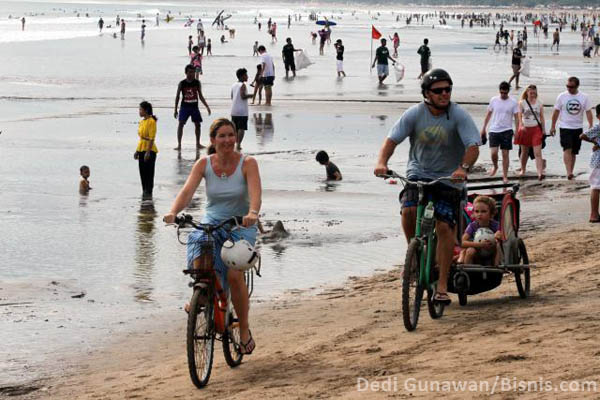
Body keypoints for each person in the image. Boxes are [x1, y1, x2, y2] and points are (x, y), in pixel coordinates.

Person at [373, 69, 480, 304]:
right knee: (408, 210)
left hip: (449, 180)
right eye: (438, 90)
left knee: (443, 228)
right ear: (426, 93)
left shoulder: (458, 114)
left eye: (447, 89)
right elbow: (391, 140)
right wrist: (382, 162)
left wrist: (463, 167)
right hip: (418, 174)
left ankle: (441, 286)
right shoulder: (414, 114)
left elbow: (473, 146)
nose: (444, 94)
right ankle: (414, 254)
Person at [163, 118, 262, 355]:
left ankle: (245, 330)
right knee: (197, 240)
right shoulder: (204, 163)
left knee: (234, 273)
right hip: (212, 221)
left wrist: (252, 213)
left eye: (231, 135)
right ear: (212, 140)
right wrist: (173, 212)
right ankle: (202, 293)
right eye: (222, 136)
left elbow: (256, 194)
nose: (228, 140)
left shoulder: (248, 163)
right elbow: (187, 191)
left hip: (240, 225)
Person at [550, 76, 594, 180]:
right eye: (567, 86)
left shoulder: (584, 97)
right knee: (567, 149)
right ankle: (568, 172)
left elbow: (588, 112)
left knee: (574, 152)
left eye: (571, 87)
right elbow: (556, 111)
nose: (569, 88)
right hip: (565, 127)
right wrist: (552, 126)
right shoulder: (562, 96)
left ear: (577, 86)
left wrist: (590, 125)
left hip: (578, 127)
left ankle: (571, 171)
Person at [480, 81, 519, 184]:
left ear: (508, 92)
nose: (503, 95)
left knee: (505, 154)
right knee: (494, 153)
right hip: (494, 130)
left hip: (507, 130)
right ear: (499, 91)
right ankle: (496, 166)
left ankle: (505, 176)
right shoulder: (494, 100)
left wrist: (517, 131)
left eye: (505, 93)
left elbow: (516, 118)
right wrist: (483, 128)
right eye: (501, 92)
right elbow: (488, 114)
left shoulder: (513, 102)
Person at [174, 65, 212, 150]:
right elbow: (177, 96)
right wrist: (175, 109)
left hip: (194, 107)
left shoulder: (197, 83)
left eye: (193, 72)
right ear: (186, 73)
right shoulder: (182, 83)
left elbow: (200, 96)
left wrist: (207, 106)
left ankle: (198, 143)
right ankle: (179, 144)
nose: (192, 74)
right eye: (190, 72)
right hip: (184, 107)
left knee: (198, 124)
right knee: (181, 124)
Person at [459, 196, 503, 267]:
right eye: (477, 211)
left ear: (491, 213)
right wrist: (480, 245)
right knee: (470, 250)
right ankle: (467, 273)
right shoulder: (472, 226)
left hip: (491, 252)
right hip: (477, 253)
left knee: (498, 246)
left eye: (483, 211)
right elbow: (462, 242)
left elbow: (501, 236)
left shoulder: (495, 225)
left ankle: (496, 268)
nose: (479, 214)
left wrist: (498, 235)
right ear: (473, 213)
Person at [516, 84, 546, 180]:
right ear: (527, 92)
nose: (532, 94)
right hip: (525, 129)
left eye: (534, 92)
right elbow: (519, 116)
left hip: (536, 129)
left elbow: (541, 117)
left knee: (537, 152)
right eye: (530, 92)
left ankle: (539, 173)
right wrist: (521, 126)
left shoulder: (539, 103)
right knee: (524, 151)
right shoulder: (522, 103)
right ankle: (523, 169)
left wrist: (544, 129)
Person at [579, 104, 600, 222]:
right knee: (596, 187)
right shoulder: (598, 126)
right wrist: (595, 142)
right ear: (598, 116)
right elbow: (582, 135)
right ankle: (594, 214)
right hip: (598, 161)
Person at [135, 101, 158, 198]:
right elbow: (141, 138)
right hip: (141, 149)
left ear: (146, 110)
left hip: (150, 150)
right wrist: (137, 151)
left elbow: (152, 138)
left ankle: (149, 192)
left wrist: (148, 152)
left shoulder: (151, 121)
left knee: (149, 173)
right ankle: (145, 193)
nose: (139, 111)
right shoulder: (141, 122)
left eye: (140, 109)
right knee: (142, 173)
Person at [231, 68, 253, 150]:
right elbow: (243, 96)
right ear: (242, 76)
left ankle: (235, 144)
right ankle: (238, 144)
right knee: (241, 128)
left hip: (234, 110)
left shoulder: (233, 85)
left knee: (235, 128)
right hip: (242, 111)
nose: (247, 77)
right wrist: (252, 95)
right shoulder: (242, 85)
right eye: (246, 75)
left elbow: (232, 97)